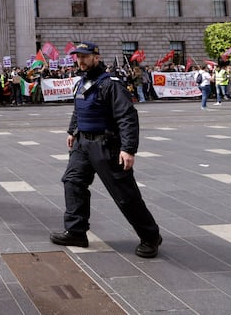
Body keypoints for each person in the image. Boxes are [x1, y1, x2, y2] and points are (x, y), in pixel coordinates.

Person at [50, 42, 162, 258]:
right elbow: (79, 109)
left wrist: (128, 149)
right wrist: (72, 131)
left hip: (106, 145)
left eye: (84, 56)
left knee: (124, 194)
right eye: (77, 57)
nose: (80, 61)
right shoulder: (83, 82)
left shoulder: (111, 84)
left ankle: (150, 236)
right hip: (83, 144)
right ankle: (76, 231)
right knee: (73, 182)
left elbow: (127, 117)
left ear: (96, 57)